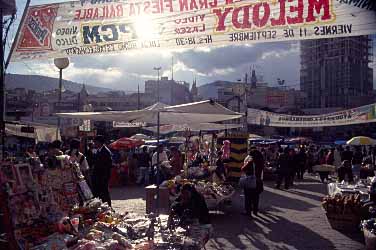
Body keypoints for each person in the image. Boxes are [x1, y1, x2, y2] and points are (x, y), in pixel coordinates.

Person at [241, 147, 264, 217]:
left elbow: (243, 168)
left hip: (250, 181)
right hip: (258, 182)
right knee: (256, 197)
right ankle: (255, 211)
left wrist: (247, 162)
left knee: (248, 197)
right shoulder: (261, 162)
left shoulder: (251, 162)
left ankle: (248, 212)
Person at [92, 135, 113, 206]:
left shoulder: (106, 152)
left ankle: (108, 208)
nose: (94, 143)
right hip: (98, 177)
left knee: (105, 194)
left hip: (103, 177)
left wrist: (104, 178)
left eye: (95, 142)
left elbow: (108, 166)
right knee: (100, 194)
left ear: (99, 142)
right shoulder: (98, 151)